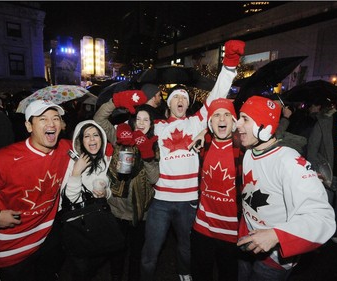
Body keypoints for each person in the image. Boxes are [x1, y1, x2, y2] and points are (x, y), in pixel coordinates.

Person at [140, 39, 245, 281]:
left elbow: (219, 94)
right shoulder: (158, 127)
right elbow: (133, 128)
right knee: (150, 250)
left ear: (188, 104)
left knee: (187, 248)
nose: (180, 101)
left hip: (189, 201)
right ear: (169, 103)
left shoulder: (198, 122)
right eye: (176, 98)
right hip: (161, 200)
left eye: (184, 99)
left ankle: (185, 276)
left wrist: (229, 64)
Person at [0, 99, 71, 281]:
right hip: (9, 251)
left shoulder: (65, 149)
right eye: (43, 119)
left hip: (45, 243)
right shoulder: (1, 160)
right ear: (28, 126)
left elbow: (97, 143)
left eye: (55, 118)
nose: (51, 123)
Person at [235, 95, 335, 281]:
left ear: (263, 128)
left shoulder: (289, 161)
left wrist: (276, 236)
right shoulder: (250, 152)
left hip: (274, 258)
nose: (237, 124)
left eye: (245, 119)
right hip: (248, 242)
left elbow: (323, 219)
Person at [94, 90, 160, 281]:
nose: (141, 123)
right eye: (138, 118)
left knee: (136, 253)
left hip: (140, 213)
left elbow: (154, 178)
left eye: (146, 120)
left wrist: (147, 154)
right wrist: (115, 102)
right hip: (117, 209)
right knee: (117, 250)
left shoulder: (154, 144)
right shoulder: (121, 137)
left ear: (151, 124)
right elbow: (99, 120)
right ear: (133, 120)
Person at [191, 98, 243, 281]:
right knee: (200, 275)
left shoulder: (244, 148)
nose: (222, 119)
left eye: (227, 115)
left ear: (234, 121)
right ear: (210, 122)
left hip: (231, 231)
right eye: (217, 115)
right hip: (202, 226)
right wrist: (204, 131)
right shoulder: (204, 143)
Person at [60, 119, 114, 280]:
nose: (92, 140)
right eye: (87, 136)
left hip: (97, 221)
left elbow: (109, 189)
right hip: (77, 224)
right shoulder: (73, 162)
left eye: (96, 135)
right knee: (81, 269)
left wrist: (106, 193)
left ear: (102, 138)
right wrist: (76, 172)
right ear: (80, 140)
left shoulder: (106, 160)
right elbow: (69, 198)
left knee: (97, 259)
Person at [306, 99, 337, 243]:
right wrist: (317, 171)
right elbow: (312, 149)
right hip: (328, 171)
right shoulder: (325, 120)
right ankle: (319, 236)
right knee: (324, 206)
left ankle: (336, 232)